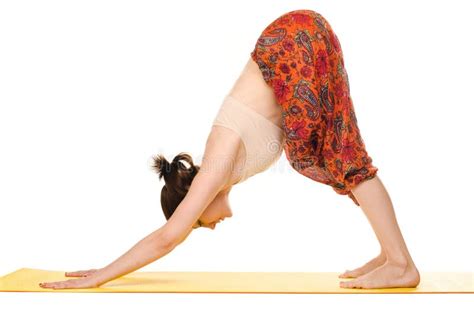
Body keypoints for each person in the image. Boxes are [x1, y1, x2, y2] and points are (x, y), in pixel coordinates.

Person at [39, 9, 420, 291]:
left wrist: (101, 276)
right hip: (298, 36)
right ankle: (392, 255)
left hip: (291, 42)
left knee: (340, 158)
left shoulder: (215, 165)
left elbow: (168, 236)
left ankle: (400, 263)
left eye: (200, 223)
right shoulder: (226, 163)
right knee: (333, 154)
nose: (213, 225)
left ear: (197, 204)